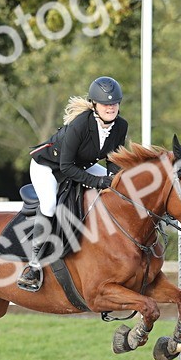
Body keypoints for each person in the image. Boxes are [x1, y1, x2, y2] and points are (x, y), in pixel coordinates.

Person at [17, 76, 129, 291]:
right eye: (105, 104)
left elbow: (113, 160)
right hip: (49, 166)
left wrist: (113, 180)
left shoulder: (120, 126)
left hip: (81, 165)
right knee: (49, 205)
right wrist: (98, 182)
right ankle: (33, 265)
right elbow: (66, 167)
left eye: (114, 103)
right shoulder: (80, 125)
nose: (111, 107)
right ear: (94, 105)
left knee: (119, 185)